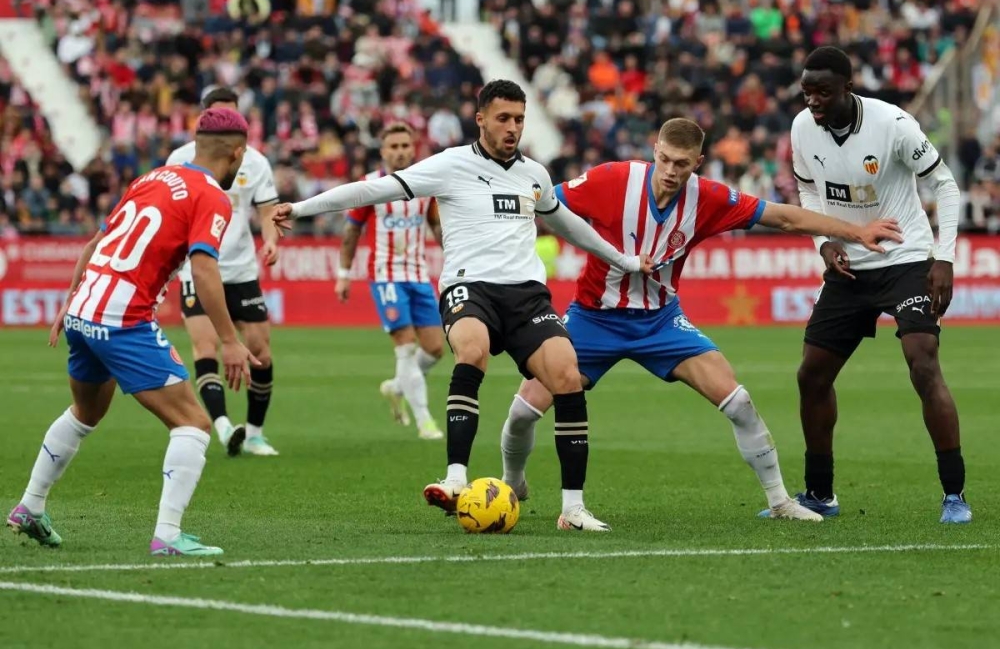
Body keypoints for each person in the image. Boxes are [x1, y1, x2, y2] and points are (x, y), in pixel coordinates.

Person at [272, 80, 654, 531]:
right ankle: (456, 478)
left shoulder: (534, 174)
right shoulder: (450, 165)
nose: (512, 128)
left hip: (526, 295)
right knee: (470, 350)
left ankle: (572, 509)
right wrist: (300, 209)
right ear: (481, 119)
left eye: (519, 119)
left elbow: (570, 226)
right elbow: (369, 192)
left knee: (568, 374)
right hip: (469, 287)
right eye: (503, 119)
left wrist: (625, 260)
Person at [498, 118, 903, 521]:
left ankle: (780, 501)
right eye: (667, 160)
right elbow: (541, 203)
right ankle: (513, 481)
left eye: (683, 164)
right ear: (655, 151)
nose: (673, 172)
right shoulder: (610, 180)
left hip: (661, 322)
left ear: (699, 162)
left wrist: (856, 232)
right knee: (523, 411)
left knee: (739, 402)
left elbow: (784, 218)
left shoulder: (708, 198)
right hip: (593, 318)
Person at [7, 108, 256, 556]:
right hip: (121, 318)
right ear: (237, 153)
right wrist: (231, 340)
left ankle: (30, 505)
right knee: (194, 424)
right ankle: (168, 534)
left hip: (85, 309)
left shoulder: (152, 178)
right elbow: (203, 269)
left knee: (85, 413)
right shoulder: (212, 197)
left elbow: (94, 244)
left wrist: (69, 302)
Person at [771, 46, 970, 523]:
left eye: (822, 92)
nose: (813, 102)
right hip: (849, 266)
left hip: (905, 259)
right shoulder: (802, 128)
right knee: (811, 376)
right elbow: (808, 190)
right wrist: (824, 240)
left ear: (848, 88)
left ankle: (954, 495)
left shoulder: (894, 125)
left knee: (922, 362)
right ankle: (820, 494)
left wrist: (942, 257)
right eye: (806, 92)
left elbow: (945, 184)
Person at [167, 88, 281, 458]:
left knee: (261, 351)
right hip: (196, 269)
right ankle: (221, 425)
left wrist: (272, 239)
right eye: (219, 116)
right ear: (203, 121)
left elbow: (267, 211)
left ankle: (255, 433)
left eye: (234, 117)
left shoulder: (255, 161)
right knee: (205, 346)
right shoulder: (180, 159)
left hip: (241, 268)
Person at [337, 122, 445, 440]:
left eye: (404, 146)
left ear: (413, 149)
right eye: (393, 147)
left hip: (418, 274)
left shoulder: (426, 186)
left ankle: (398, 386)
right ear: (383, 152)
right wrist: (343, 275)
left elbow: (436, 227)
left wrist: (456, 254)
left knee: (436, 348)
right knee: (406, 348)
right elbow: (351, 232)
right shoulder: (370, 186)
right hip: (385, 276)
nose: (399, 152)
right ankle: (425, 420)